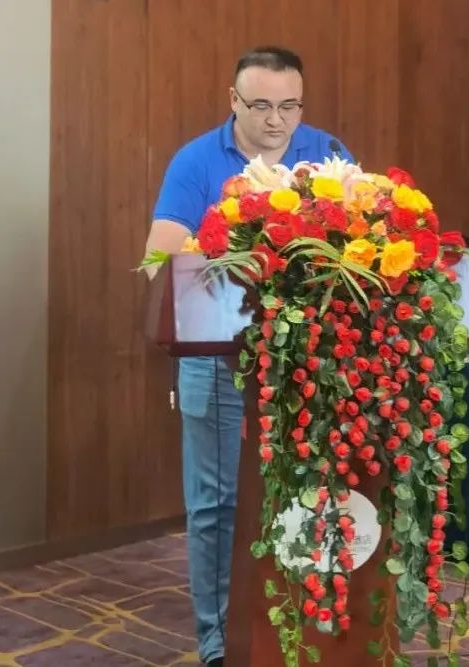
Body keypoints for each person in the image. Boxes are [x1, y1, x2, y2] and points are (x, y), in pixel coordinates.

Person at [143, 46, 352, 667]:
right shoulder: (196, 161)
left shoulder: (327, 154)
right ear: (233, 101)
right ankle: (219, 642)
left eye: (289, 105)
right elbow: (158, 261)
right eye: (260, 105)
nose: (276, 120)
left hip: (305, 365)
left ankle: (303, 631)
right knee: (216, 507)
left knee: (313, 497)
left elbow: (362, 248)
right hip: (217, 360)